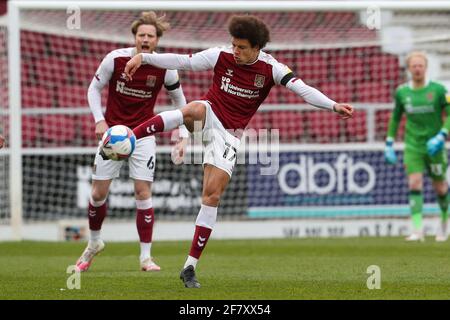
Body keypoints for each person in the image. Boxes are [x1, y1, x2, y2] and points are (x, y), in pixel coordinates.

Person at [122, 15, 354, 288]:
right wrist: (146, 58)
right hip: (209, 115)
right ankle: (130, 137)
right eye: (234, 45)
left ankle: (189, 267)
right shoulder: (220, 55)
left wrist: (333, 105)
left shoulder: (272, 68)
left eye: (242, 47)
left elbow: (303, 90)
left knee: (212, 195)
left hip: (229, 136)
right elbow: (183, 61)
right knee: (193, 108)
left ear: (257, 47)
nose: (236, 51)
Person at [75, 11, 189, 272]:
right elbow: (94, 89)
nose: (145, 39)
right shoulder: (115, 59)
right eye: (141, 35)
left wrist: (182, 137)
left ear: (157, 40)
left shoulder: (165, 66)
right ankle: (94, 243)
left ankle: (146, 257)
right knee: (98, 193)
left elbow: (180, 102)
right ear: (135, 38)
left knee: (143, 192)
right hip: (113, 134)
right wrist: (99, 120)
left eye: (150, 35)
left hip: (144, 134)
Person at [384, 51, 450, 242]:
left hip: (435, 146)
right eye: (414, 66)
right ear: (409, 68)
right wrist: (389, 142)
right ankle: (417, 230)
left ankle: (444, 223)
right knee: (414, 182)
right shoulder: (402, 92)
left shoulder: (439, 90)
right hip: (413, 145)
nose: (417, 69)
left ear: (426, 67)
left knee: (440, 187)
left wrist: (441, 136)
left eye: (420, 65)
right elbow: (395, 117)